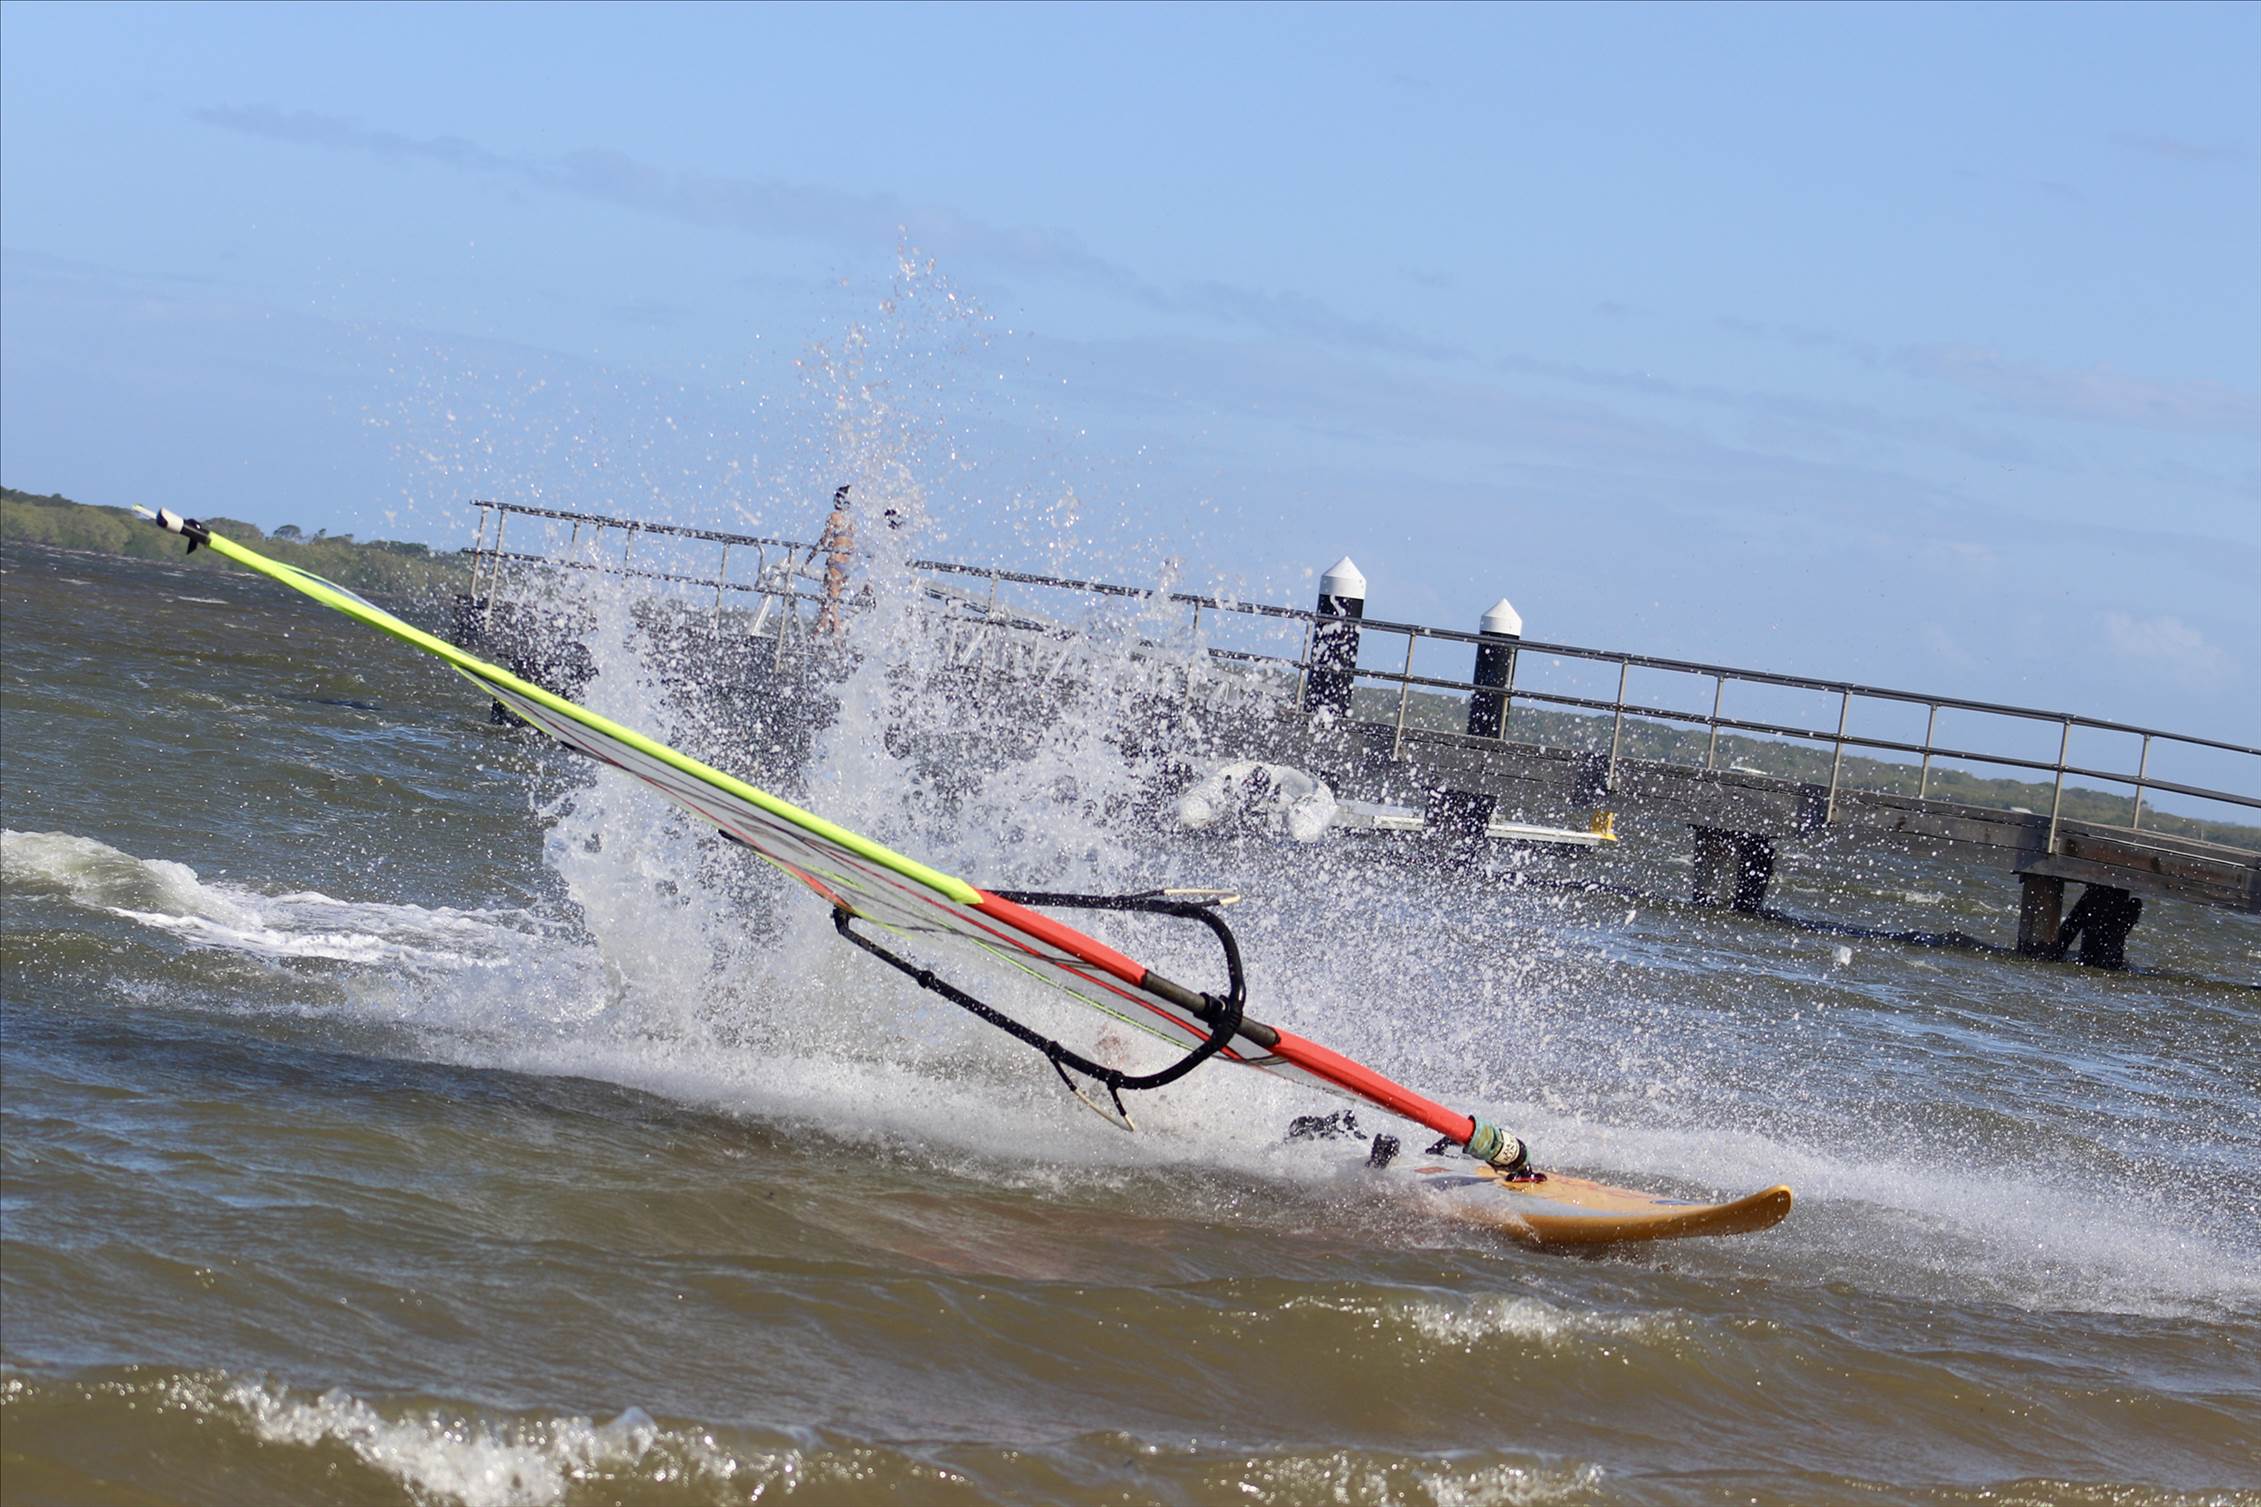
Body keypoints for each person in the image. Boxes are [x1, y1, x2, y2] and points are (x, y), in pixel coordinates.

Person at [815, 485, 854, 635]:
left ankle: (834, 640)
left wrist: (810, 557)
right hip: (846, 564)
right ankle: (817, 636)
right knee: (830, 604)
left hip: (834, 563)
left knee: (831, 605)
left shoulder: (834, 517)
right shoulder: (851, 521)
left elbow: (824, 540)